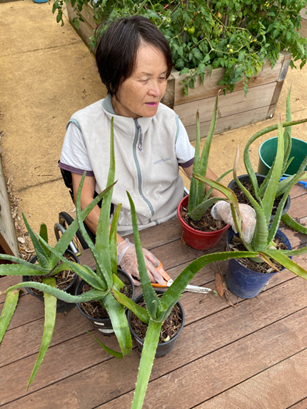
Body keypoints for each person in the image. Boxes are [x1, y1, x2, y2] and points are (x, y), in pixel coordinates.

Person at [58, 16, 233, 285]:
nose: (157, 91)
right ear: (113, 77)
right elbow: (85, 205)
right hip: (124, 232)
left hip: (179, 223)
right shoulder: (83, 127)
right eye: (144, 79)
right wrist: (122, 250)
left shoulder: (167, 119)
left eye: (162, 78)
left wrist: (229, 206)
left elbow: (199, 173)